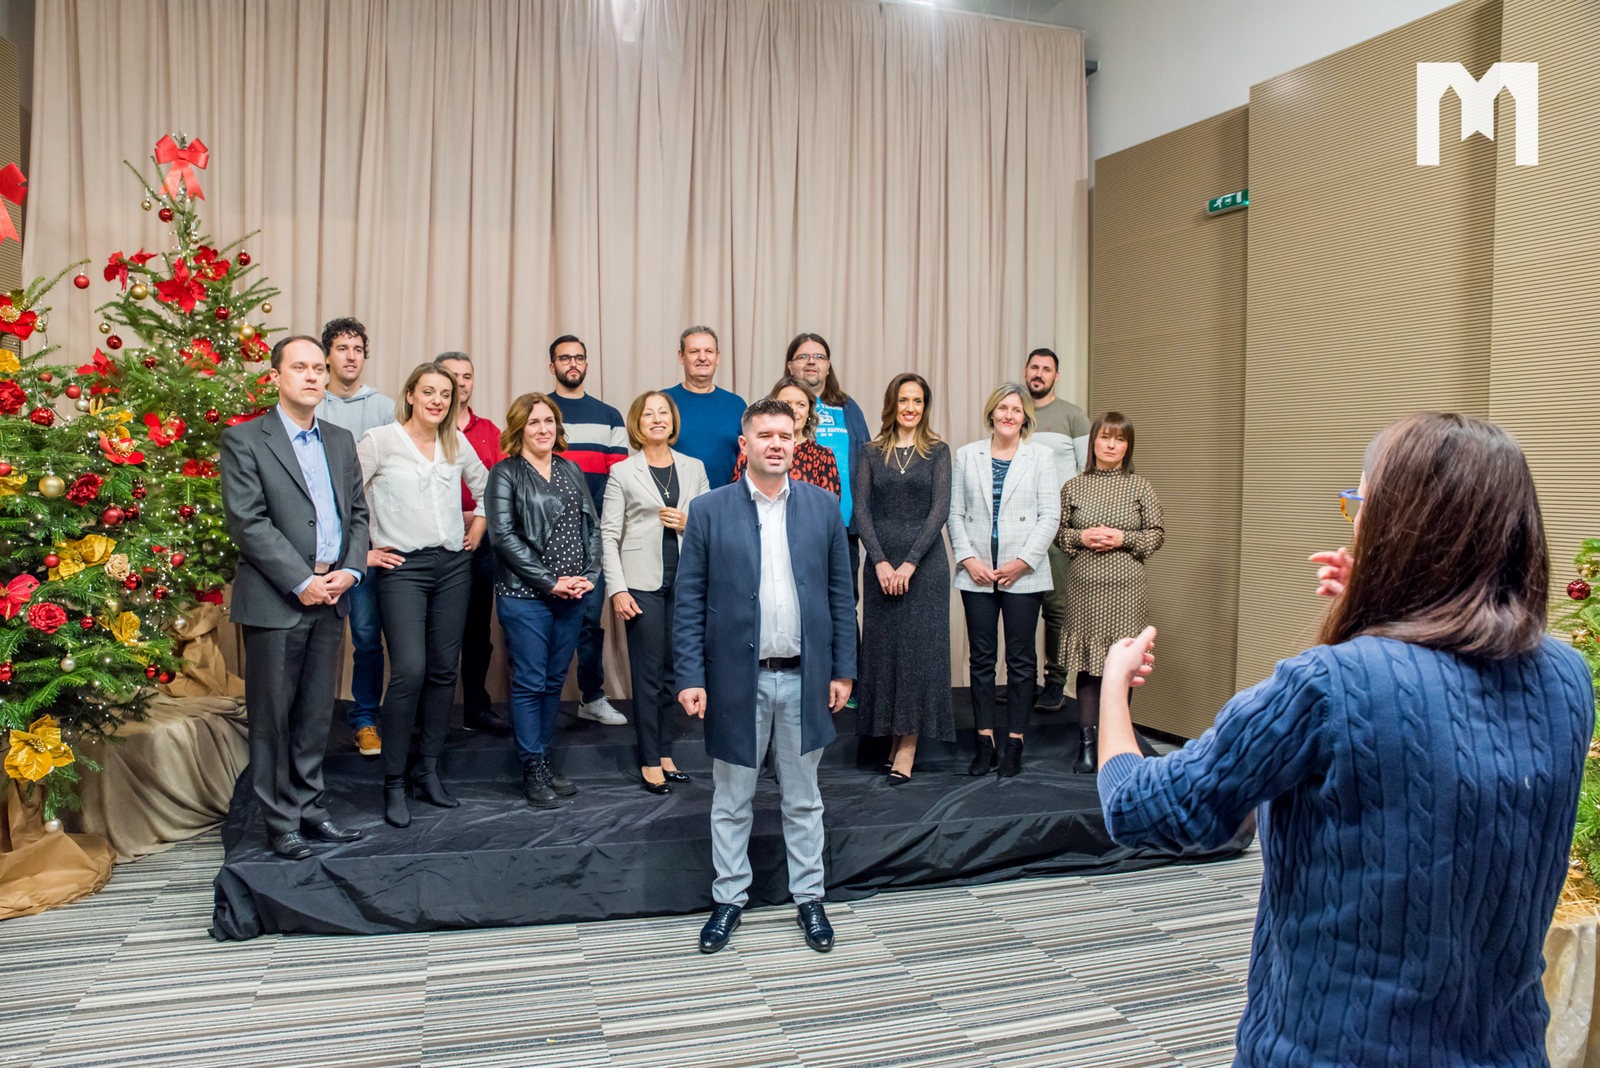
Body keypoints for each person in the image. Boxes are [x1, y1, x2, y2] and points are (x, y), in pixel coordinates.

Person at [1096, 412, 1593, 1068]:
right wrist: (1377, 610)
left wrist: (1112, 687)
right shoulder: (1567, 677)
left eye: (1361, 502)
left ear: (1397, 526)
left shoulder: (1330, 684)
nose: (1354, 521)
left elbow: (1144, 807)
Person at [675, 396, 856, 956]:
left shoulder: (824, 508)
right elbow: (689, 600)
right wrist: (690, 675)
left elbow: (841, 596)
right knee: (733, 799)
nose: (776, 444)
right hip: (736, 682)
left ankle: (810, 899)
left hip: (806, 679)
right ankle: (729, 898)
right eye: (765, 435)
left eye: (785, 435)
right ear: (745, 444)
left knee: (803, 800)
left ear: (796, 442)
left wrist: (844, 670)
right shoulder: (708, 510)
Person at [220, 335, 367, 859]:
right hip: (278, 598)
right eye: (299, 367)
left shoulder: (340, 440)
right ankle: (280, 821)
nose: (312, 376)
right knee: (273, 719)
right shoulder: (244, 439)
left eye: (318, 368)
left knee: (314, 716)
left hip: (333, 594)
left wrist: (351, 570)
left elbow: (358, 514)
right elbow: (248, 521)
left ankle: (310, 809)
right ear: (275, 376)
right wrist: (301, 580)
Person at [357, 362, 490, 827]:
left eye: (445, 394)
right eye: (428, 391)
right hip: (402, 569)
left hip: (453, 566)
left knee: (442, 670)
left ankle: (427, 771)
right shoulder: (380, 441)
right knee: (409, 670)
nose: (437, 400)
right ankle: (394, 781)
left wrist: (478, 527)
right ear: (411, 394)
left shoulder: (456, 442)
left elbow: (489, 488)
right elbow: (344, 498)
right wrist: (362, 552)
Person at [485, 393, 603, 810]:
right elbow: (502, 538)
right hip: (526, 596)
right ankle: (531, 765)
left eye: (549, 421)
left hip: (572, 595)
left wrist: (589, 576)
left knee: (554, 681)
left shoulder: (570, 468)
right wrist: (551, 582)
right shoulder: (505, 473)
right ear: (519, 429)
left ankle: (543, 756)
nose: (543, 429)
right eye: (534, 422)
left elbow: (592, 527)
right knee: (530, 681)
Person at [601, 391, 711, 794]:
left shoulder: (694, 467)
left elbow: (709, 526)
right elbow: (608, 535)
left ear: (673, 421)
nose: (657, 418)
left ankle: (665, 755)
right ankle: (649, 761)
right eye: (648, 414)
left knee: (672, 675)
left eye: (663, 412)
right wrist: (617, 589)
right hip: (641, 586)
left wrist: (687, 522)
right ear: (638, 423)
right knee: (647, 677)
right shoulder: (622, 472)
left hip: (686, 583)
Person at [949, 384, 1060, 778]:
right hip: (977, 572)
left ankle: (1014, 742)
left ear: (1025, 417)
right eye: (1003, 408)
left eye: (1016, 409)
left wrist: (1022, 562)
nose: (1009, 415)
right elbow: (954, 513)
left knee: (1021, 660)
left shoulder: (1041, 457)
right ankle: (984, 742)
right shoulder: (967, 455)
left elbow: (1050, 516)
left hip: (1023, 574)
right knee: (981, 659)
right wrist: (967, 559)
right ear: (991, 413)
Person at [852, 373, 952, 783]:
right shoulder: (870, 452)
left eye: (918, 400)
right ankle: (893, 739)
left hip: (924, 567)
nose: (910, 407)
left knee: (918, 655)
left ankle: (908, 746)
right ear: (891, 404)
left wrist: (909, 563)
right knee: (887, 655)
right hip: (880, 565)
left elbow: (940, 510)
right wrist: (879, 561)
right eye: (904, 400)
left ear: (925, 407)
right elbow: (861, 510)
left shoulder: (938, 452)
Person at [1056, 412, 1163, 774]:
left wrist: (1123, 538)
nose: (1112, 445)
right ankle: (1087, 746)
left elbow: (1157, 534)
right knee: (1089, 667)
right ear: (1094, 442)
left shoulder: (1141, 487)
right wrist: (1082, 537)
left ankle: (1114, 745)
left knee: (1122, 666)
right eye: (1105, 437)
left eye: (1120, 439)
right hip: (1084, 587)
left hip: (1126, 589)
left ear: (1128, 446)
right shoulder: (1073, 486)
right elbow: (1058, 533)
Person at [312, 316, 393, 758]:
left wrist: (368, 547)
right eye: (342, 348)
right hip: (315, 546)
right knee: (311, 639)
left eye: (358, 349)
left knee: (366, 636)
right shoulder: (310, 403)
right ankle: (306, 721)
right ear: (327, 356)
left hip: (368, 545)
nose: (351, 356)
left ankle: (365, 719)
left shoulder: (385, 408)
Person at [547, 335, 630, 727]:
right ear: (552, 366)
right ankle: (535, 701)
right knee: (540, 623)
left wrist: (589, 522)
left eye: (579, 357)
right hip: (546, 538)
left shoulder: (609, 415)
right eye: (565, 358)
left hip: (592, 536)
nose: (573, 363)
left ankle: (592, 696)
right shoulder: (542, 410)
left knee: (588, 622)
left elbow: (617, 477)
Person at [436, 351, 509, 735]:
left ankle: (476, 708)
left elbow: (500, 487)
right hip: (434, 544)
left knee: (478, 632)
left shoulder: (490, 432)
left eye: (467, 376)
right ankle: (430, 715)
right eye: (453, 375)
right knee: (437, 632)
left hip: (481, 544)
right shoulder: (424, 426)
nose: (461, 382)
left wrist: (478, 519)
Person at [1023, 347, 1092, 713]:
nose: (1039, 374)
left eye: (1046, 369)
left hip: (1057, 530)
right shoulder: (1014, 411)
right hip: (1018, 528)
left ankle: (1055, 683)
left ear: (1056, 376)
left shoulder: (1073, 416)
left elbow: (1087, 473)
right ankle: (1023, 683)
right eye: (1034, 367)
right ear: (1026, 371)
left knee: (1056, 610)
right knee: (1019, 609)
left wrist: (1074, 522)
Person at [784, 333, 872, 594]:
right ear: (790, 365)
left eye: (819, 357)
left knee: (842, 599)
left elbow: (867, 461)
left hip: (842, 523)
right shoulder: (775, 405)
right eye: (803, 356)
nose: (811, 361)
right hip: (787, 522)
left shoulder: (847, 407)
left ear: (828, 365)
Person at [662, 326, 746, 487]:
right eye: (694, 351)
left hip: (724, 499)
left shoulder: (736, 405)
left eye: (708, 351)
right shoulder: (662, 402)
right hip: (672, 499)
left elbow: (747, 461)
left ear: (717, 357)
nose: (702, 358)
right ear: (681, 356)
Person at [731, 376, 839, 495]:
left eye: (801, 404)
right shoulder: (752, 450)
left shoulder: (823, 456)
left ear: (809, 411)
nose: (793, 410)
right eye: (786, 404)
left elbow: (828, 503)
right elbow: (736, 496)